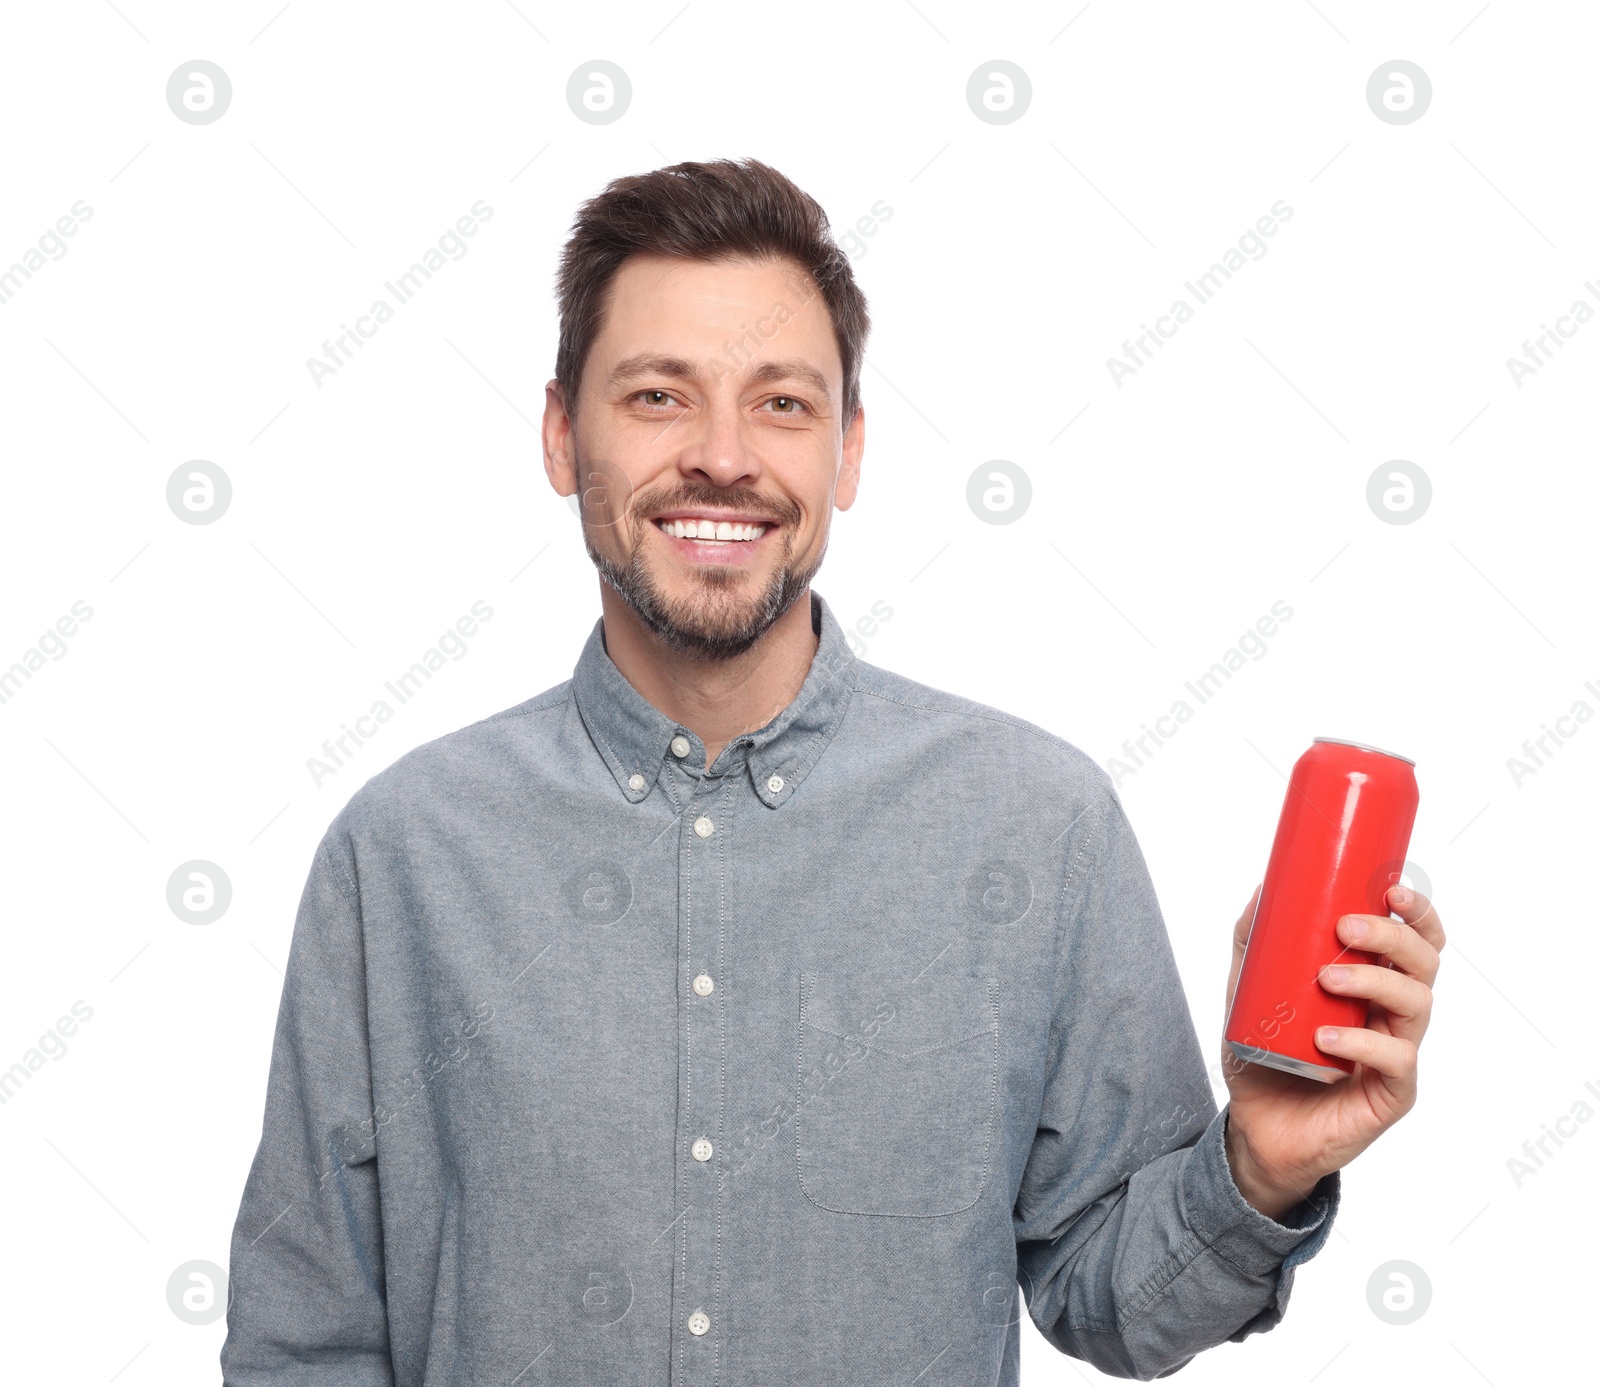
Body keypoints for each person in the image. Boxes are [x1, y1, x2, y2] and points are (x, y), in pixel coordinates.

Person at [220, 158, 1445, 1385]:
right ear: (559, 433)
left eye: (783, 405)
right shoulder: (404, 853)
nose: (721, 456)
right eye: (656, 395)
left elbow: (1111, 1300)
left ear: (848, 453)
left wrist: (1260, 1166)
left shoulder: (1036, 827)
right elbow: (306, 1338)